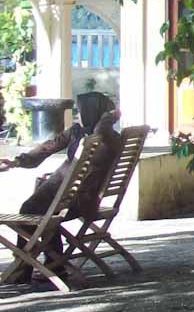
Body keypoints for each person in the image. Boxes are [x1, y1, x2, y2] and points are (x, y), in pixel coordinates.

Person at [0, 97, 122, 282]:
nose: (79, 115)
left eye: (82, 111)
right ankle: (53, 264)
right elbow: (49, 146)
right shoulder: (86, 133)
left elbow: (100, 131)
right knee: (46, 213)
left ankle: (25, 268)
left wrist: (106, 119)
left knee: (31, 212)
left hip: (75, 202)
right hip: (73, 200)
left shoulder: (105, 139)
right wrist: (17, 162)